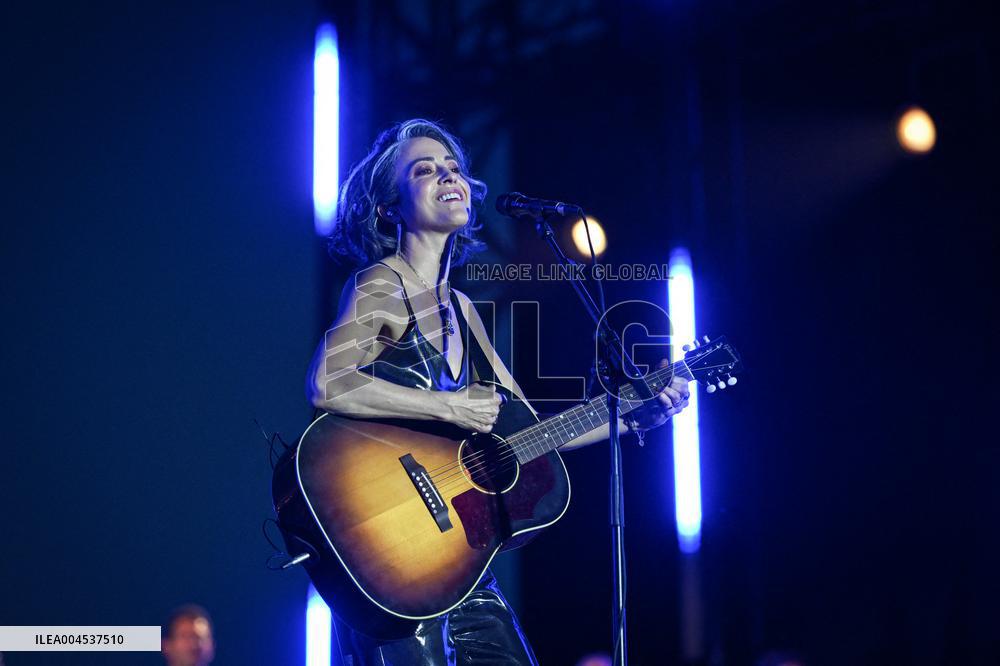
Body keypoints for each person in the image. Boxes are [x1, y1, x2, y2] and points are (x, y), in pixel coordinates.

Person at [307, 118, 690, 665]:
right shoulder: (381, 285)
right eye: (425, 170)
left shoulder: (464, 312)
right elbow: (328, 382)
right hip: (394, 561)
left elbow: (534, 435)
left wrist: (636, 413)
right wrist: (447, 404)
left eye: (454, 168)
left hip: (462, 568)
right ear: (389, 207)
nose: (449, 176)